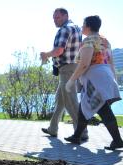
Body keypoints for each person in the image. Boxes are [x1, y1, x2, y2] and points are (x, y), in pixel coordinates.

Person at [64, 16, 123, 150]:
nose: (81, 27)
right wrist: (113, 80)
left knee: (103, 109)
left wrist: (71, 80)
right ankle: (77, 136)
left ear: (88, 26)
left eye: (83, 24)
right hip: (105, 76)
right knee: (84, 105)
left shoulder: (88, 41)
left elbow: (85, 64)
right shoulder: (105, 41)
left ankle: (118, 140)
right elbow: (111, 63)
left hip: (95, 78)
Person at [40, 8, 88, 141]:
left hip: (67, 69)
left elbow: (59, 50)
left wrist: (46, 55)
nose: (55, 20)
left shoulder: (65, 29)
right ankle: (53, 128)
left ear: (66, 16)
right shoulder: (77, 28)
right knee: (60, 101)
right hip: (72, 67)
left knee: (71, 101)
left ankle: (82, 132)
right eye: (54, 18)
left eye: (58, 17)